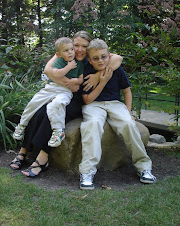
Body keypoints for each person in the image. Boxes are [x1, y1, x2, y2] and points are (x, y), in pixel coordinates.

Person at [10, 31, 123, 178]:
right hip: (62, 93)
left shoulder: (92, 58)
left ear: (89, 47)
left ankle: (42, 159)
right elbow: (48, 70)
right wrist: (67, 83)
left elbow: (118, 58)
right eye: (76, 45)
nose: (80, 49)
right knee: (39, 111)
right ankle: (24, 150)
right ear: (71, 44)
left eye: (84, 46)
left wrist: (96, 76)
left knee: (54, 114)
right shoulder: (66, 56)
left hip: (79, 100)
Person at [79, 39, 156, 190]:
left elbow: (127, 91)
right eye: (95, 58)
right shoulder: (86, 71)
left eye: (103, 56)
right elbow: (87, 100)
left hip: (115, 104)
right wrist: (102, 81)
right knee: (92, 124)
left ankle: (144, 167)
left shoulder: (117, 69)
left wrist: (128, 112)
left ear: (109, 55)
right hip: (94, 105)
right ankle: (87, 172)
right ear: (89, 60)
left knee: (128, 123)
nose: (100, 60)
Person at [13, 37, 84, 147]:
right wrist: (68, 68)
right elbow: (55, 74)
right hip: (51, 88)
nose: (70, 52)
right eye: (66, 50)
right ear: (59, 54)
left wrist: (75, 81)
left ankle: (58, 131)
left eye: (71, 49)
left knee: (56, 105)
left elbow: (81, 79)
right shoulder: (60, 61)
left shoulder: (79, 64)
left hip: (65, 91)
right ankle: (21, 125)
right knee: (34, 102)